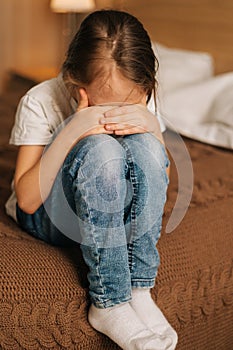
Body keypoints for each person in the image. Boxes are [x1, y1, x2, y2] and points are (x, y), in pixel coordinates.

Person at [6, 9, 178, 350]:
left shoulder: (141, 96)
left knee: (146, 147)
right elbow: (26, 200)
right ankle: (109, 300)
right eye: (102, 107)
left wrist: (152, 127)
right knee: (101, 149)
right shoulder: (41, 101)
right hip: (49, 217)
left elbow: (160, 178)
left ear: (145, 87)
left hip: (113, 208)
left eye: (125, 106)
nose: (113, 116)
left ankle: (139, 290)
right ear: (74, 83)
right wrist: (76, 129)